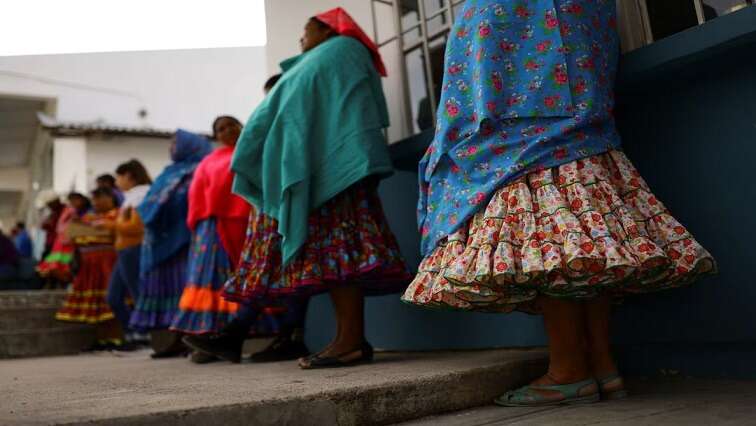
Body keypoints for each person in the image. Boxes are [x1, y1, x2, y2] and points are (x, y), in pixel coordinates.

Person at [401, 1, 717, 406]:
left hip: (522, 127)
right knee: (583, 240)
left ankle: (568, 370)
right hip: (581, 116)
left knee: (549, 242)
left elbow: (480, 70)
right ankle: (602, 366)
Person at [223, 7, 410, 370]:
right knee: (338, 257)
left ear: (327, 30)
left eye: (305, 32)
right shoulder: (329, 56)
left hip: (338, 171)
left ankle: (350, 341)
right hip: (334, 168)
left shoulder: (341, 51)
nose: (301, 41)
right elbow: (297, 108)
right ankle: (348, 339)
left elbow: (301, 107)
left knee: (344, 255)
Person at [182, 75, 311, 364]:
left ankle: (282, 337)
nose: (274, 101)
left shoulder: (290, 125)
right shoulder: (265, 131)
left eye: (278, 94)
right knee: (265, 272)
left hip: (286, 206)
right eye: (270, 96)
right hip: (262, 215)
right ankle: (236, 335)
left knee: (292, 270)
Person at [170, 116, 250, 364]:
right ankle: (208, 338)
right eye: (219, 129)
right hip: (211, 228)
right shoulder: (209, 160)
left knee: (237, 276)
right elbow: (197, 194)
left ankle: (232, 336)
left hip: (244, 222)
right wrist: (198, 223)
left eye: (230, 125)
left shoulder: (252, 149)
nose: (226, 131)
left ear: (241, 126)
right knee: (210, 280)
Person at [128, 130, 212, 358]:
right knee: (166, 291)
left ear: (190, 145)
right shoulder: (168, 172)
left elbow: (193, 202)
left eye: (176, 142)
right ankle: (174, 341)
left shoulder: (200, 168)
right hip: (158, 244)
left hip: (186, 243)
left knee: (184, 290)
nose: (171, 147)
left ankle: (188, 339)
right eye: (171, 143)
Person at [55, 188, 123, 349]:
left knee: (110, 299)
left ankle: (117, 338)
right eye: (94, 200)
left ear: (109, 198)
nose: (96, 203)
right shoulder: (88, 217)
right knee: (95, 303)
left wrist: (92, 230)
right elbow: (69, 236)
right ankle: (101, 339)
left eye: (99, 199)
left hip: (107, 264)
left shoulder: (117, 214)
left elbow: (111, 233)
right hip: (88, 266)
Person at [106, 160, 152, 346]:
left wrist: (110, 225)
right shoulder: (131, 196)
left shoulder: (142, 194)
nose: (117, 181)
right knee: (113, 297)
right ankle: (132, 331)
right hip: (124, 249)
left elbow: (135, 226)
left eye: (119, 176)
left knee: (137, 292)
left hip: (134, 247)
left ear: (130, 176)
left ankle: (144, 332)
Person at [37, 192, 92, 286]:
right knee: (55, 267)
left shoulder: (69, 211)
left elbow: (68, 227)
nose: (49, 206)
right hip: (59, 244)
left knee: (64, 267)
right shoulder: (61, 212)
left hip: (67, 245)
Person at [38, 191, 65, 259]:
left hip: (59, 246)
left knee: (55, 266)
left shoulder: (65, 211)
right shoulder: (53, 213)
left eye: (49, 204)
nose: (48, 206)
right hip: (51, 244)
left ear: (55, 202)